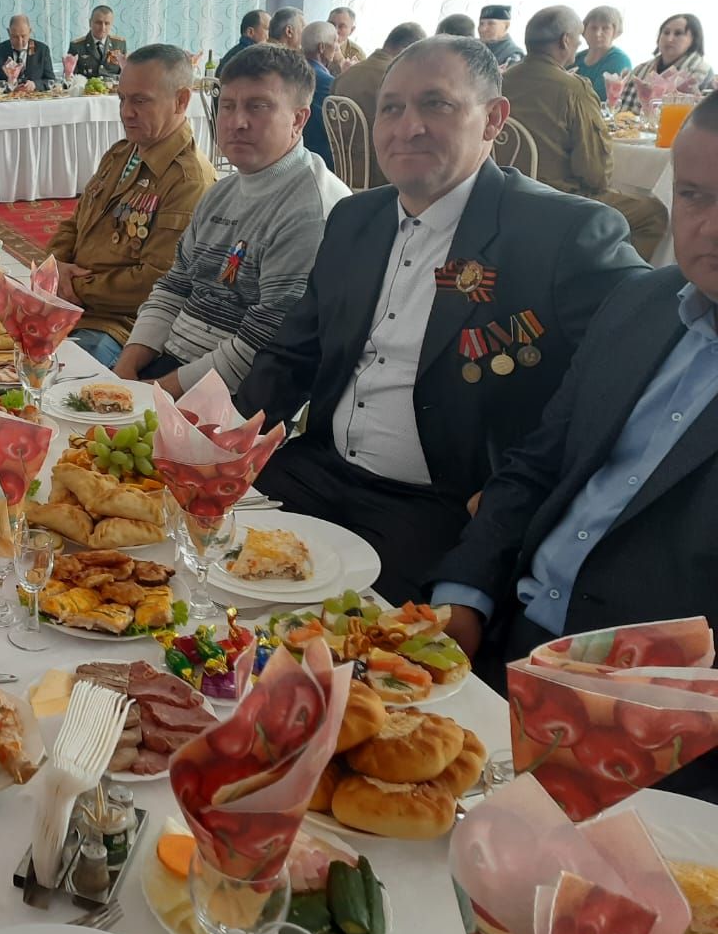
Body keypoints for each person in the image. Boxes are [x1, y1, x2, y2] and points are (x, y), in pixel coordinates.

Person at [234, 36, 647, 604]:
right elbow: (294, 352)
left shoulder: (562, 235)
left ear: (493, 119)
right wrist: (224, 441)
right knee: (194, 558)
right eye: (392, 108)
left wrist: (529, 495)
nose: (409, 127)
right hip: (316, 469)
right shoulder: (356, 218)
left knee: (355, 653)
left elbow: (638, 365)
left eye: (438, 105)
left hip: (438, 505)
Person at [428, 95, 718, 676]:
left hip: (646, 704)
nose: (710, 228)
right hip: (511, 632)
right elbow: (538, 461)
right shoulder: (642, 303)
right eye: (693, 196)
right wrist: (464, 593)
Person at [115, 45, 350, 394]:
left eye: (258, 106)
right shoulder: (223, 191)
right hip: (171, 367)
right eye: (228, 106)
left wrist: (155, 393)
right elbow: (174, 286)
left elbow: (262, 344)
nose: (237, 122)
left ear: (299, 119)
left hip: (234, 396)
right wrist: (124, 371)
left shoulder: (309, 210)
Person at [46, 44, 217, 367]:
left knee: (59, 379)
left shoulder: (187, 180)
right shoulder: (123, 152)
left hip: (118, 326)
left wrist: (72, 286)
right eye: (122, 98)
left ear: (181, 100)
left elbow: (155, 281)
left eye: (140, 100)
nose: (126, 111)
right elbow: (75, 222)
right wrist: (55, 265)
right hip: (69, 304)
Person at [502, 5, 669, 261]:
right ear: (565, 41)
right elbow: (595, 173)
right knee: (653, 213)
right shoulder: (573, 89)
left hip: (501, 192)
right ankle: (615, 286)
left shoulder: (500, 81)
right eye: (578, 37)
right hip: (555, 199)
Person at [332, 21, 428, 187]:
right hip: (380, 176)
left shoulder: (345, 76)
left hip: (341, 169)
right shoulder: (397, 81)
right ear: (407, 50)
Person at [616, 13, 715, 116]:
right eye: (666, 32)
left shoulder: (702, 73)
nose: (669, 39)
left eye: (678, 33)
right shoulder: (639, 69)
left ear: (694, 40)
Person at [570, 5, 633, 103]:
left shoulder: (619, 60)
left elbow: (597, 97)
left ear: (615, 32)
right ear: (584, 31)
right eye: (593, 28)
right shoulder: (576, 57)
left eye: (605, 28)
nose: (598, 33)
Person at [300, 20, 339, 169]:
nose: (338, 47)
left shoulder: (293, 70)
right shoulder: (325, 81)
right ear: (322, 47)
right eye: (335, 41)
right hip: (319, 156)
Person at [0, 15, 55, 90]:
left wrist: (35, 85)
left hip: (34, 98)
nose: (20, 41)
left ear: (30, 31)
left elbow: (51, 81)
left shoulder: (42, 50)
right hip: (7, 100)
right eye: (15, 37)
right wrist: (9, 86)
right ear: (9, 32)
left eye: (23, 36)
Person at [69, 5, 127, 79]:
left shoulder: (119, 44)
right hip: (87, 89)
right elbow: (71, 78)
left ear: (111, 24)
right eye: (98, 23)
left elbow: (125, 74)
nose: (103, 28)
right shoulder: (76, 46)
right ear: (90, 23)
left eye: (107, 23)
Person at [478, 4, 524, 68]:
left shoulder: (512, 55)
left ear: (506, 26)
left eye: (491, 24)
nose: (483, 29)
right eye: (481, 24)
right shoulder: (475, 47)